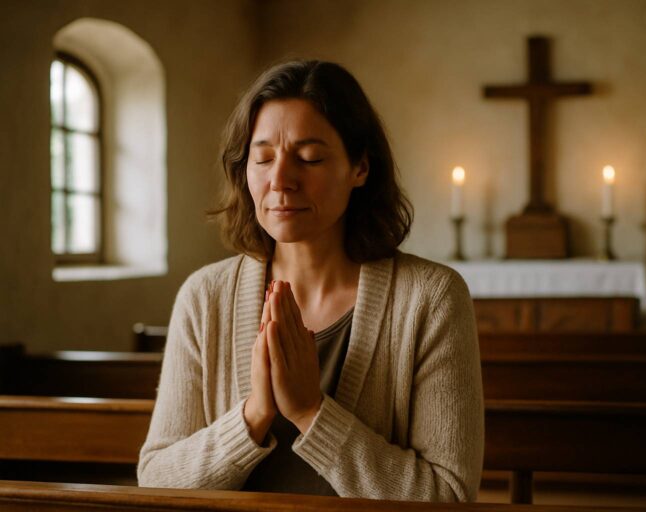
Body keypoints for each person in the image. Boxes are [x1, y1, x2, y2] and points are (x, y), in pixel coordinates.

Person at [137, 60, 484, 502]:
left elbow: (447, 496)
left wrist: (310, 411)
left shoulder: (431, 298)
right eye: (262, 158)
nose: (280, 181)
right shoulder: (205, 297)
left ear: (360, 167)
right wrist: (253, 415)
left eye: (310, 158)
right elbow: (156, 478)